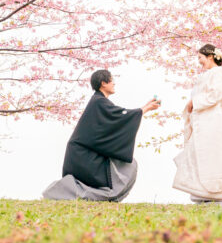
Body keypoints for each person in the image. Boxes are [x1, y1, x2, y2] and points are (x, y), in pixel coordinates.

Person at [43, 69, 160, 201]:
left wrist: (145, 107)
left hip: (81, 153)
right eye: (112, 80)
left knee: (125, 166)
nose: (114, 83)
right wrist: (146, 109)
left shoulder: (98, 101)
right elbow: (121, 118)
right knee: (128, 166)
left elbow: (119, 117)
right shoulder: (99, 102)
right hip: (84, 155)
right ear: (104, 83)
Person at [173, 44, 222, 203]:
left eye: (200, 57)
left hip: (210, 123)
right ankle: (202, 193)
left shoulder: (217, 74)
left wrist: (195, 102)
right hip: (204, 122)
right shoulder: (211, 74)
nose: (199, 61)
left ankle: (210, 193)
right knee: (199, 156)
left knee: (207, 157)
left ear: (210, 57)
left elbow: (216, 94)